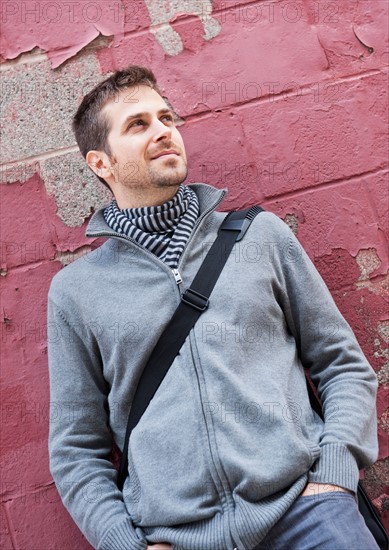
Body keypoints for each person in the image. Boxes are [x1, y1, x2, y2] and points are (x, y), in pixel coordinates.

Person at [48, 66, 380, 550]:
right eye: (138, 124)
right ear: (101, 163)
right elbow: (77, 448)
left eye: (166, 117)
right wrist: (123, 543)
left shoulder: (259, 237)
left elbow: (343, 365)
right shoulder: (76, 292)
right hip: (178, 539)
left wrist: (333, 477)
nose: (164, 131)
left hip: (307, 516)